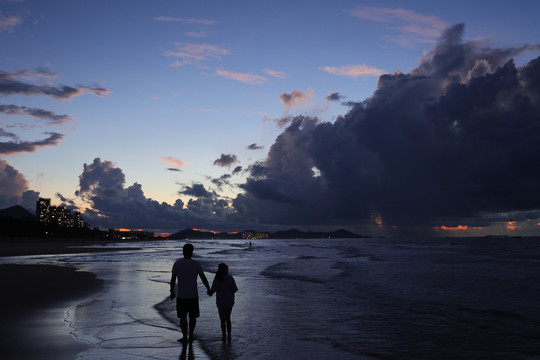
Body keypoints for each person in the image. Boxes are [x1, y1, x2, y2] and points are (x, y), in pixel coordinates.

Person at [170, 243, 210, 344]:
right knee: (193, 317)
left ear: (183, 252)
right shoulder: (196, 264)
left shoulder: (177, 263)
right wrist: (208, 288)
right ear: (192, 252)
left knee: (183, 317)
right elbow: (203, 278)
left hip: (182, 295)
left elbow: (173, 279)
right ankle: (191, 336)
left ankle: (184, 337)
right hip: (193, 295)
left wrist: (172, 291)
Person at [208, 263, 238, 342]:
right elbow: (234, 289)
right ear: (225, 270)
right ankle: (229, 336)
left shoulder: (217, 279)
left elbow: (212, 291)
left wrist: (208, 291)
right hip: (229, 301)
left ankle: (224, 336)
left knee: (222, 320)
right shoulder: (230, 278)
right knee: (228, 319)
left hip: (221, 301)